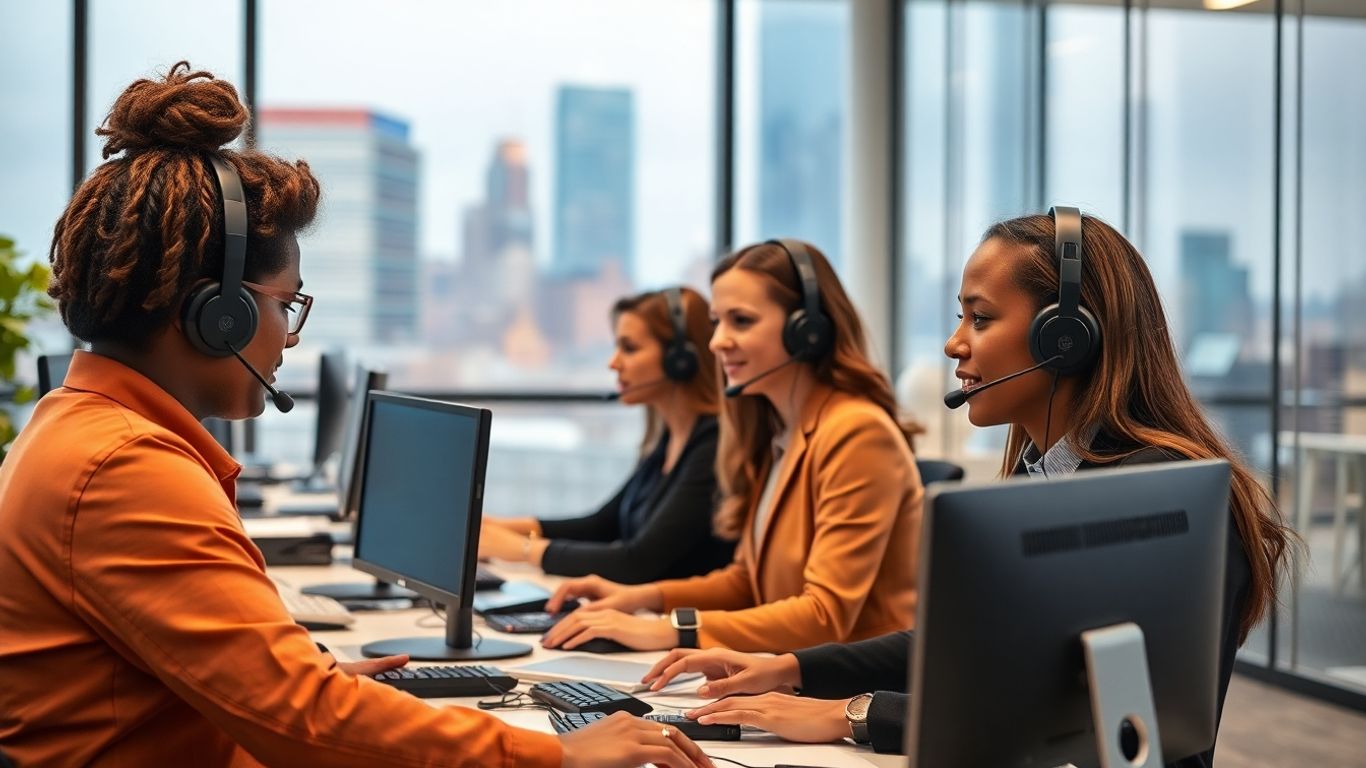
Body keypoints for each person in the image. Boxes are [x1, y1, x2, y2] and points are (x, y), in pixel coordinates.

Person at [0, 62, 712, 768]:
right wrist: (552, 755)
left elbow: (272, 701)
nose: (292, 334)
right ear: (220, 315)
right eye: (286, 304)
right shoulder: (125, 469)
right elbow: (299, 719)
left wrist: (310, 691)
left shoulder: (79, 428)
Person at [640, 211, 1293, 768]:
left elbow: (1074, 717)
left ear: (1065, 339)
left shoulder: (1155, 499)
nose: (955, 343)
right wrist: (793, 669)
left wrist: (852, 715)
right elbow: (961, 653)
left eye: (980, 319)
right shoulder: (1044, 476)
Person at [540, 239, 924, 653]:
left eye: (740, 321)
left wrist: (673, 630)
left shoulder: (856, 432)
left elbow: (824, 615)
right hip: (781, 674)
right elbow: (746, 581)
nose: (716, 341)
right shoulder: (779, 431)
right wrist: (644, 598)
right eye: (717, 321)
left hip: (845, 694)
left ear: (807, 332)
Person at [478, 287, 734, 582]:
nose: (613, 363)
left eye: (630, 348)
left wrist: (522, 550)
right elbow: (603, 525)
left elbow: (637, 561)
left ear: (680, 359)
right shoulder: (670, 438)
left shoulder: (713, 445)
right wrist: (498, 527)